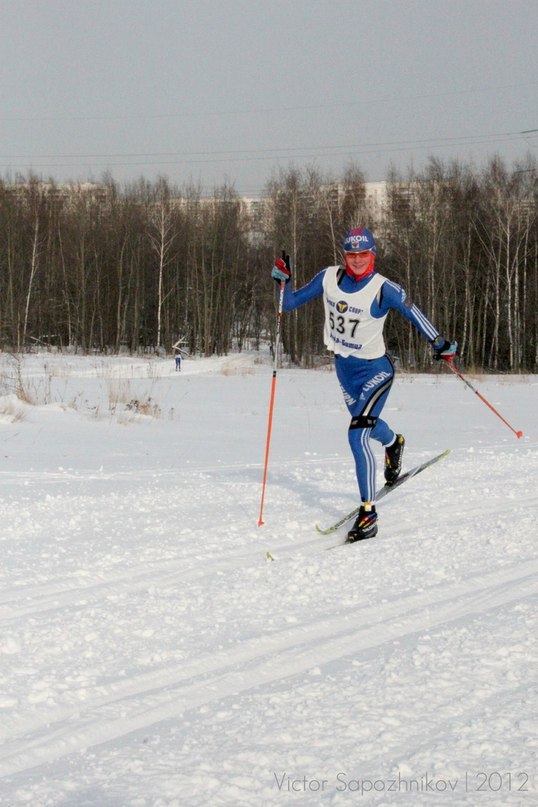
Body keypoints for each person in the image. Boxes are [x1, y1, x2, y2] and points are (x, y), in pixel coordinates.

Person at [271, 227, 456, 543]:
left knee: (357, 433)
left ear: (373, 254)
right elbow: (287, 305)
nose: (357, 260)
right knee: (367, 426)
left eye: (364, 254)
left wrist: (439, 343)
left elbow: (414, 314)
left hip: (377, 371)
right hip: (344, 370)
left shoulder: (385, 289)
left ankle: (368, 514)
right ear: (345, 255)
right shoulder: (328, 278)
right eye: (352, 254)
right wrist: (281, 281)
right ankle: (394, 443)